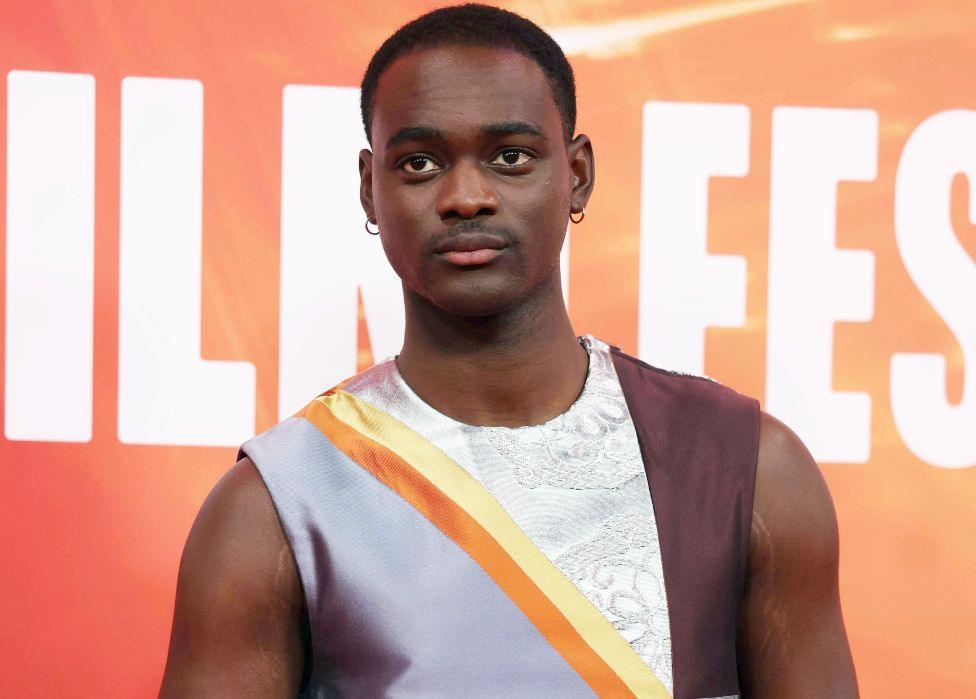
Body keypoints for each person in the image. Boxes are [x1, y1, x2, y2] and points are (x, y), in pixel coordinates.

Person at [159, 4, 858, 697]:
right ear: (370, 189)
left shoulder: (748, 469)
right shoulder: (275, 509)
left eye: (510, 156)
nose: (466, 196)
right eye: (421, 161)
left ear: (577, 173)